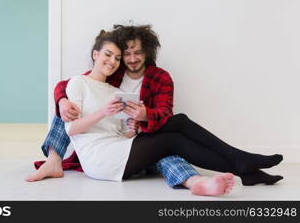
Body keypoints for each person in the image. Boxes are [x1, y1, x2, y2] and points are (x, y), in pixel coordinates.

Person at [26, 25, 283, 193]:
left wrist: (141, 118)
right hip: (109, 153)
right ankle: (242, 164)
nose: (128, 59)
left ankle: (240, 166)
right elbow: (69, 87)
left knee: (177, 128)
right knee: (173, 139)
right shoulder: (108, 78)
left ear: (147, 53)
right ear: (99, 55)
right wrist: (61, 100)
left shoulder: (159, 77)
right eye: (122, 54)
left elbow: (162, 116)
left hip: (136, 139)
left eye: (135, 53)